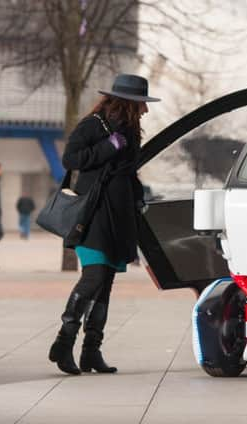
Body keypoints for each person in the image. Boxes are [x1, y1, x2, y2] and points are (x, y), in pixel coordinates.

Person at [49, 74, 160, 375]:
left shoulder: (131, 131)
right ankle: (63, 342)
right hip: (93, 213)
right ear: (126, 103)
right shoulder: (93, 125)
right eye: (140, 105)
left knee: (106, 283)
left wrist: (139, 200)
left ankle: (91, 351)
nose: (144, 111)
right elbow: (71, 159)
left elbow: (129, 173)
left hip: (118, 214)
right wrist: (108, 147)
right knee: (94, 277)